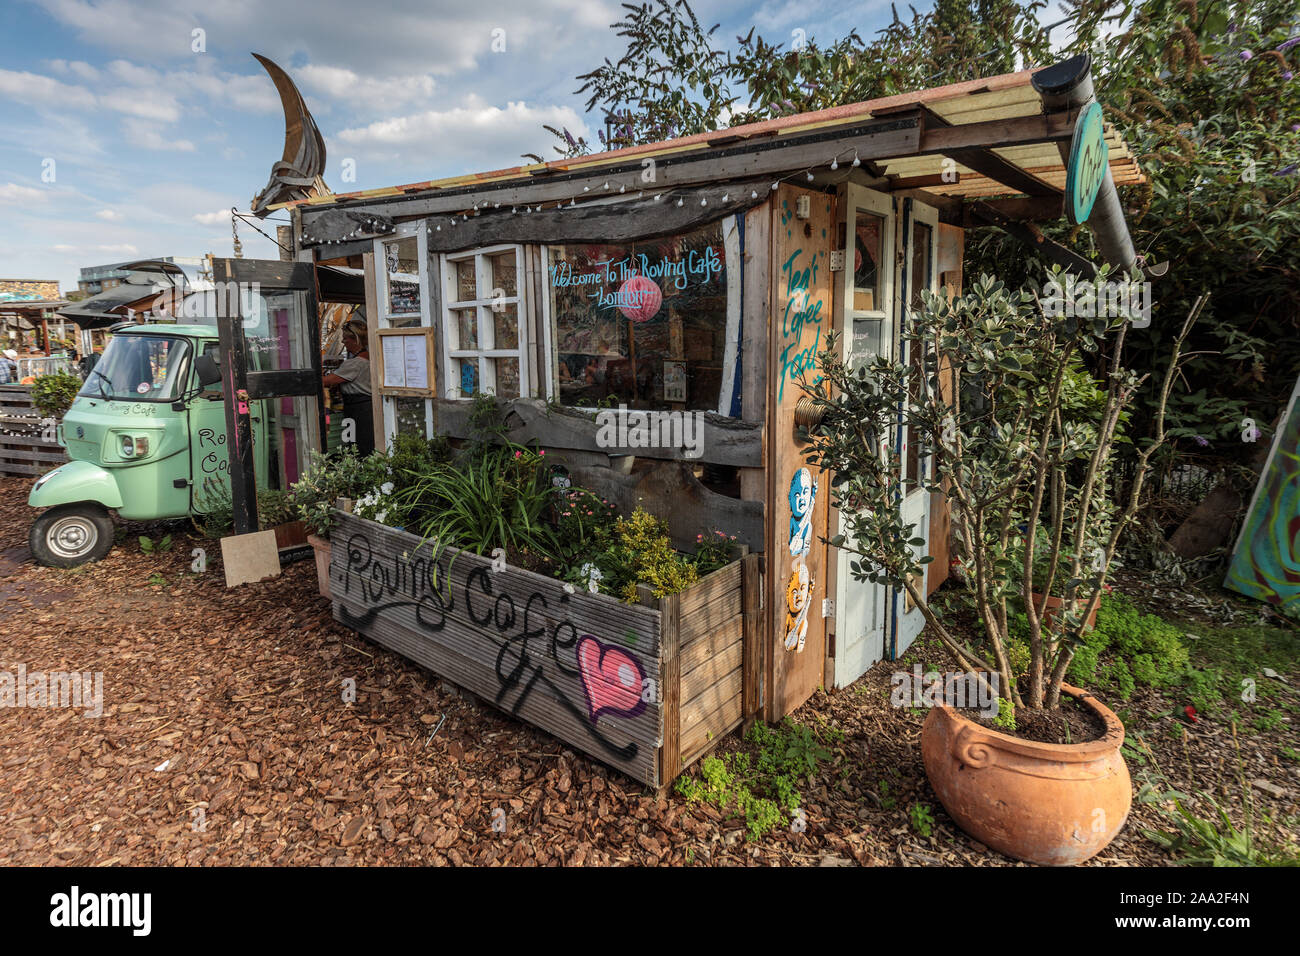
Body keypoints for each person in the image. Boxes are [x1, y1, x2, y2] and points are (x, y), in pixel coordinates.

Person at [323, 316, 374, 455]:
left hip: (358, 410)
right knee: (367, 445)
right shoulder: (370, 357)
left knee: (356, 447)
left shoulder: (354, 363)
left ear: (355, 340)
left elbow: (326, 381)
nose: (343, 342)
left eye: (345, 338)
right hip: (368, 408)